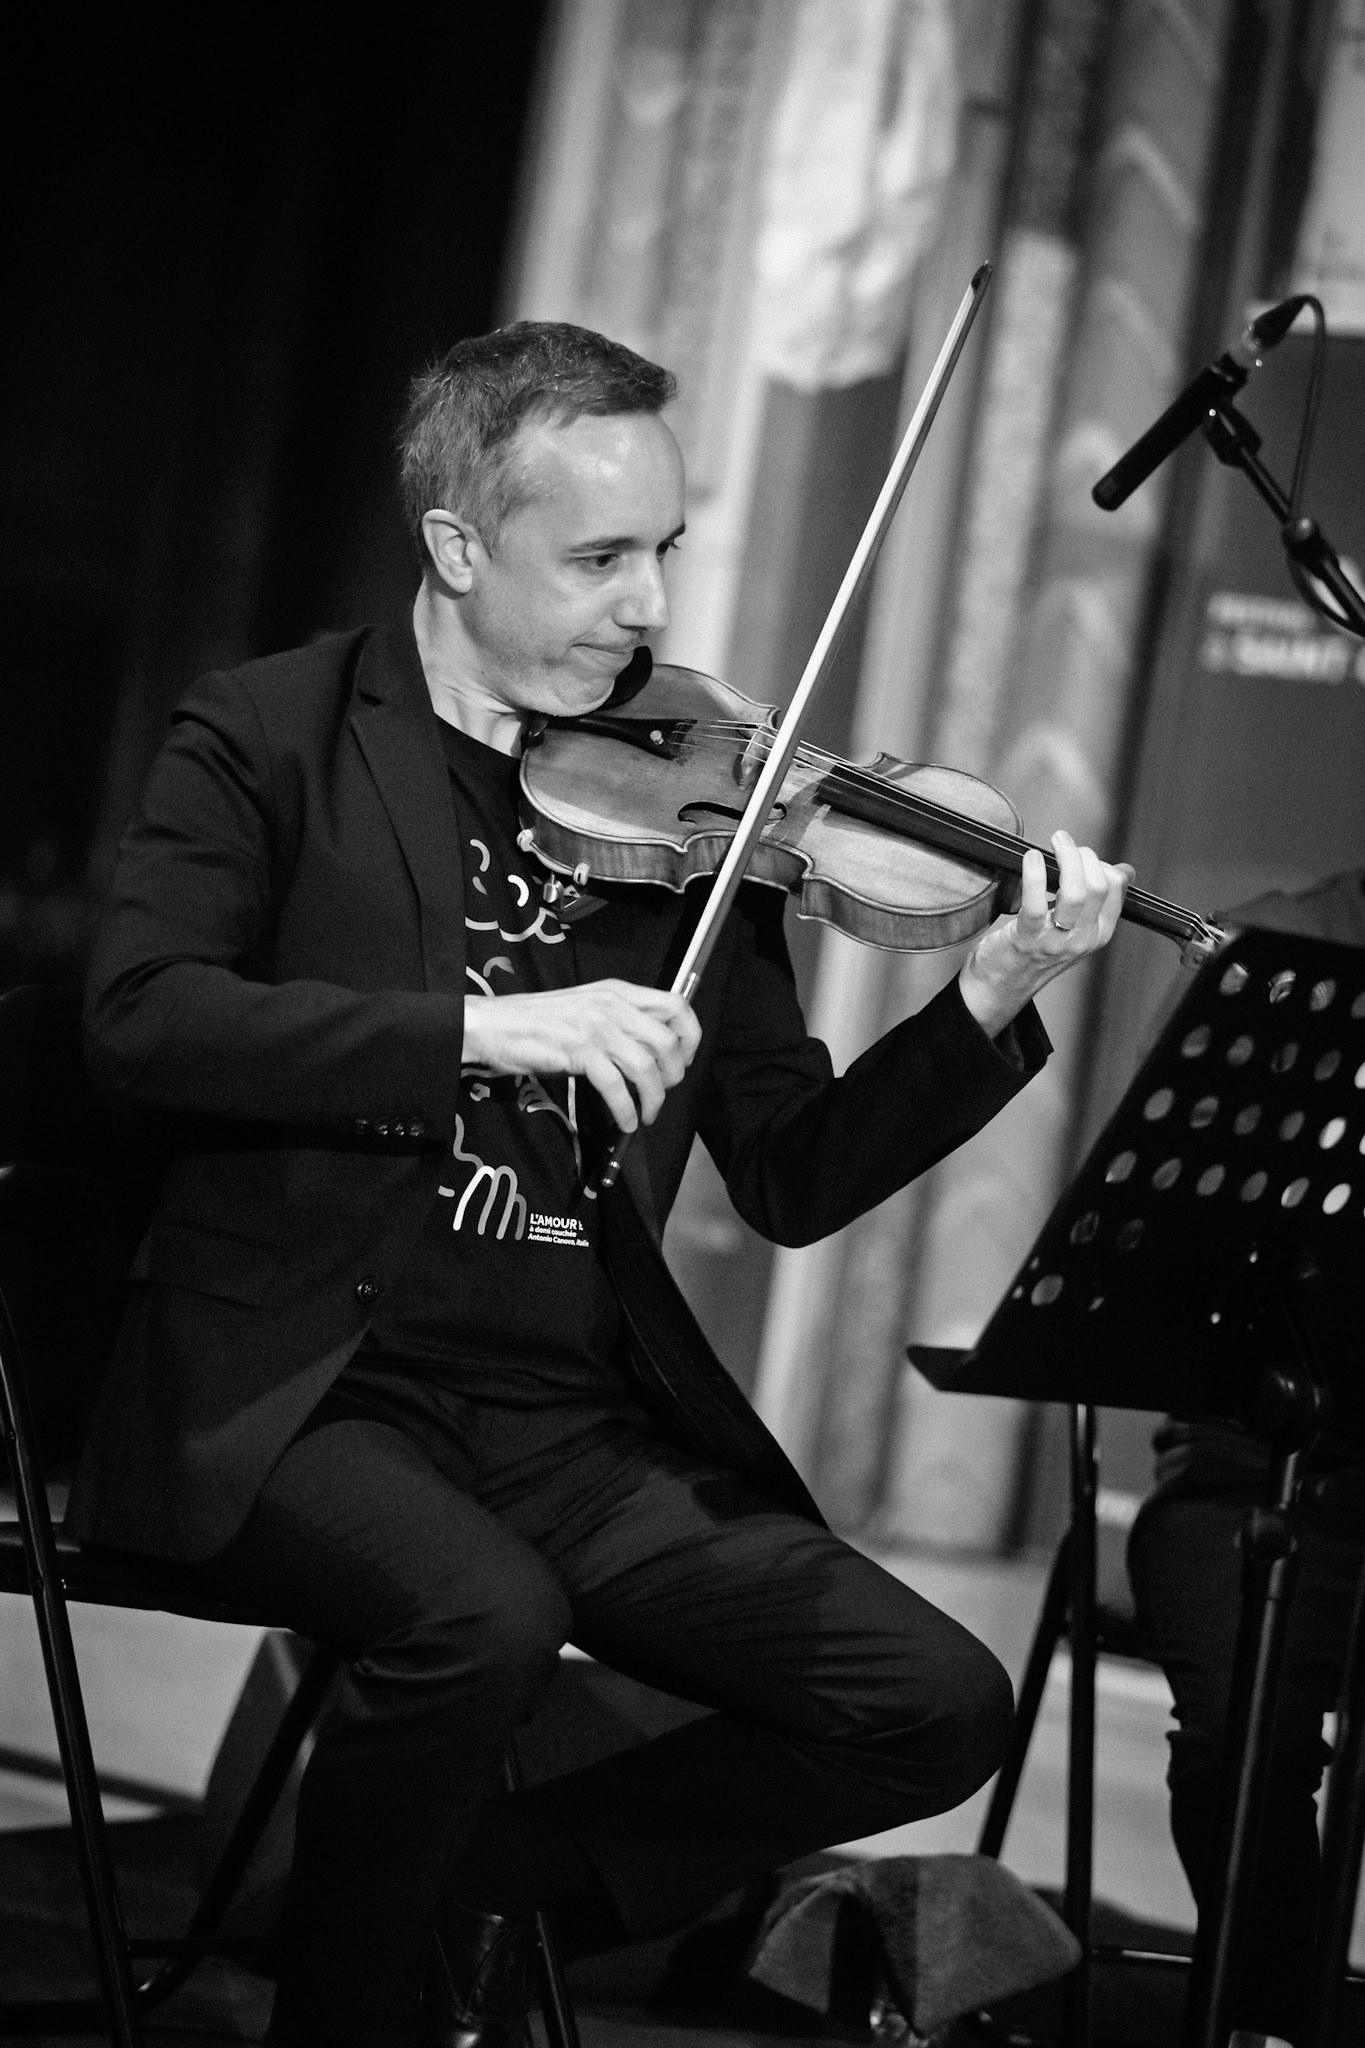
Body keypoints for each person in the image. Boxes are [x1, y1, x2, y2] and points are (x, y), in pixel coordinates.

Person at [70, 321, 1130, 2048]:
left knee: (932, 1698)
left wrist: (989, 996)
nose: (651, 606)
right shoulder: (270, 735)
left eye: (667, 552)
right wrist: (490, 1030)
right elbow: (142, 1018)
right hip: (307, 1388)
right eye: (601, 557)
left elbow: (790, 1171)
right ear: (458, 545)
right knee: (484, 1614)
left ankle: (471, 1885)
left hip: (566, 1417)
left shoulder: (693, 805)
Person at [1127, 869, 1365, 2046]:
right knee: (1240, 1725)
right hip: (1270, 1442)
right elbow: (1168, 1214)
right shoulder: (1286, 940)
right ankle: (1277, 2020)